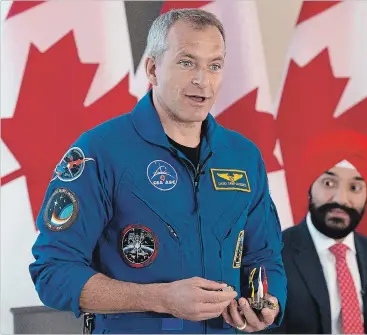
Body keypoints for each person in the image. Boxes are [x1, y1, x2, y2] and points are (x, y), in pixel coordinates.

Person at [29, 8, 286, 334]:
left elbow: (264, 257)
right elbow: (53, 271)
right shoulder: (100, 151)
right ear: (153, 68)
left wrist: (267, 302)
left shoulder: (243, 157)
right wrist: (160, 298)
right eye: (186, 62)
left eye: (215, 65)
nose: (202, 80)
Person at [267, 129, 367, 334]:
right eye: (329, 183)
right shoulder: (273, 254)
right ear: (310, 187)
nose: (341, 199)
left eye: (355, 188)